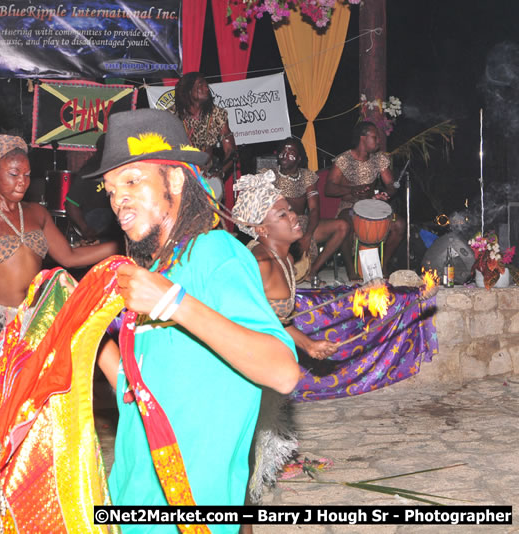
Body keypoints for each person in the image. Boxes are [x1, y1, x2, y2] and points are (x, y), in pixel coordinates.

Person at [88, 108, 299, 528]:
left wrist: (173, 303)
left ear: (176, 180)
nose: (118, 200)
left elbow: (282, 371)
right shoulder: (156, 271)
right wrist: (91, 339)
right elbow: (139, 391)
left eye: (132, 181)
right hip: (132, 492)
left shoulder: (214, 253)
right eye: (110, 190)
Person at [0, 135, 119, 392]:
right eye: (15, 174)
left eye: (27, 175)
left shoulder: (37, 214)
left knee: (30, 397)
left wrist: (121, 245)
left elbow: (69, 257)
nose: (23, 182)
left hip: (32, 317)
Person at [231, 170, 337, 519]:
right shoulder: (258, 263)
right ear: (261, 230)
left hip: (267, 362)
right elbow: (234, 316)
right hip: (246, 365)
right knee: (241, 449)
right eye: (282, 214)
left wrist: (307, 345)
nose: (294, 216)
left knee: (255, 442)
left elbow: (279, 321)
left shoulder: (286, 259)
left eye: (290, 210)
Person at [324, 121, 406, 281]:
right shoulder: (344, 160)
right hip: (349, 206)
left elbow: (391, 185)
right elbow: (329, 188)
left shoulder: (379, 159)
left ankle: (383, 265)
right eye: (375, 137)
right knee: (345, 223)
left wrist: (384, 194)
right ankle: (350, 269)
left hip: (372, 205)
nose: (378, 141)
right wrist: (352, 190)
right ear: (363, 138)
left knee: (399, 225)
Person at [267, 138, 350, 286]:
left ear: (299, 159)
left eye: (291, 152)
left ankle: (312, 271)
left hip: (303, 223)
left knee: (342, 226)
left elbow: (314, 209)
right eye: (283, 151)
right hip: (278, 226)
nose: (285, 155)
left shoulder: (306, 176)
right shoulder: (269, 176)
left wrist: (307, 236)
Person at [172, 72, 237, 200]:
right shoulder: (172, 116)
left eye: (206, 85)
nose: (206, 88)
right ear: (188, 90)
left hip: (207, 174)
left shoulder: (217, 115)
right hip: (180, 175)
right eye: (200, 85)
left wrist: (221, 172)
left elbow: (231, 151)